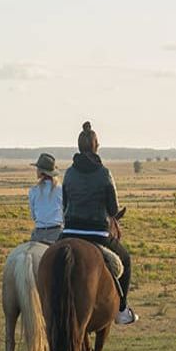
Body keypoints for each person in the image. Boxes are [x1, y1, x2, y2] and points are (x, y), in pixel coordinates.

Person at [61, 122, 136, 325]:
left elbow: (64, 205)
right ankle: (121, 309)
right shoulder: (104, 174)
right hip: (97, 234)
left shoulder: (68, 173)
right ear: (96, 146)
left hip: (68, 232)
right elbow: (113, 210)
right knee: (126, 260)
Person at [28, 152, 63, 244]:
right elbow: (65, 212)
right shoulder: (61, 189)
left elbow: (34, 216)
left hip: (38, 233)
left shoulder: (33, 190)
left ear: (40, 171)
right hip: (57, 233)